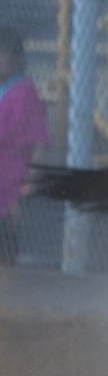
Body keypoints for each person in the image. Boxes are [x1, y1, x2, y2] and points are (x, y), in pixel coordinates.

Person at [0, 26, 49, 265]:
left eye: (2, 54)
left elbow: (39, 143)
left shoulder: (23, 93)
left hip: (9, 188)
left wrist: (29, 183)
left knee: (6, 253)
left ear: (17, 59)